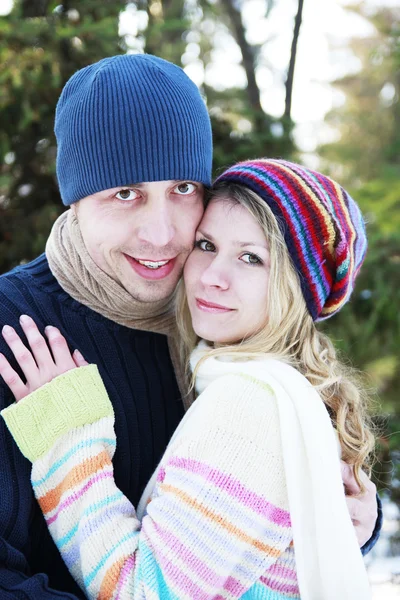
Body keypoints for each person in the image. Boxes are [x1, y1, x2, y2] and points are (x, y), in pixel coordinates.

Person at [0, 52, 380, 598]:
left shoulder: (221, 326)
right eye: (124, 193)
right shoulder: (16, 330)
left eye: (182, 189)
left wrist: (344, 525)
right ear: (76, 200)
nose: (162, 234)